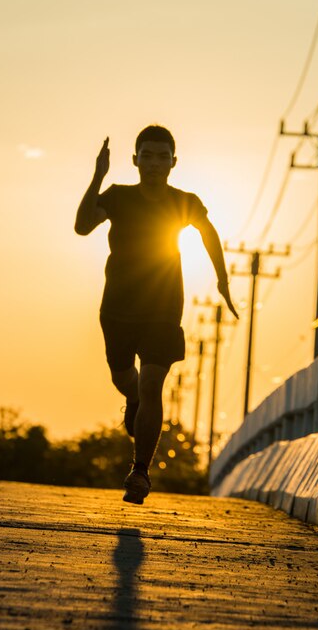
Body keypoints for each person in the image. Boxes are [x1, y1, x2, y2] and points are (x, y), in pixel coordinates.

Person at [75, 125, 238, 505]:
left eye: (162, 156)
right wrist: (98, 176)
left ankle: (140, 473)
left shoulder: (184, 201)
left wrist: (223, 279)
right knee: (124, 380)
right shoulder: (117, 197)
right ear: (134, 160)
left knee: (151, 384)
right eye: (146, 155)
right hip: (117, 307)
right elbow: (83, 227)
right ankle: (131, 401)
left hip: (163, 308)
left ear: (173, 162)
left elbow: (208, 232)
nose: (153, 163)